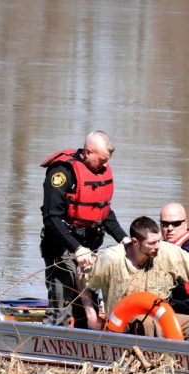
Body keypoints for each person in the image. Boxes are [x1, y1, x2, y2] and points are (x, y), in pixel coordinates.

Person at [80, 216, 189, 342]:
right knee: (148, 323)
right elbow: (81, 275)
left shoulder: (166, 251)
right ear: (135, 242)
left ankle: (186, 368)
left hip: (160, 317)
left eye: (158, 241)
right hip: (122, 321)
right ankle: (149, 368)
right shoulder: (111, 258)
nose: (157, 247)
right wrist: (91, 315)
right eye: (151, 243)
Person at [39, 130, 129, 329]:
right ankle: (49, 346)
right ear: (88, 152)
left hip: (90, 248)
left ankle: (84, 346)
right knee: (62, 303)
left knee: (87, 305)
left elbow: (104, 212)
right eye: (102, 160)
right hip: (62, 247)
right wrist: (76, 248)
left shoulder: (99, 171)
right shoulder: (62, 172)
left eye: (107, 160)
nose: (105, 165)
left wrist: (124, 239)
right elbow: (51, 216)